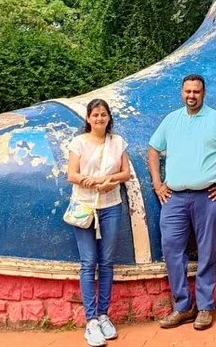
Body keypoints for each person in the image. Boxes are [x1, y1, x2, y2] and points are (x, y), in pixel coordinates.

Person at [148, 74, 216, 330]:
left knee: (207, 252)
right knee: (171, 250)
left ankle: (205, 307)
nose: (191, 95)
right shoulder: (171, 120)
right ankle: (183, 307)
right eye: (187, 91)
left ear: (203, 93)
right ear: (181, 93)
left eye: (196, 91)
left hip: (208, 197)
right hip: (174, 198)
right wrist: (158, 184)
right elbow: (153, 149)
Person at [67, 98, 130, 346]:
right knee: (88, 262)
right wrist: (91, 182)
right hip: (84, 206)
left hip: (111, 206)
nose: (99, 118)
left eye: (103, 114)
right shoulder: (79, 143)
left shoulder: (118, 142)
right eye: (95, 115)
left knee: (106, 262)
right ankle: (91, 320)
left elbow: (125, 173)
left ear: (108, 117)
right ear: (88, 118)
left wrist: (109, 181)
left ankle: (104, 315)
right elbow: (71, 174)